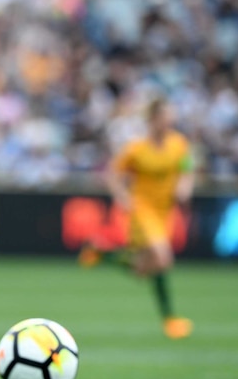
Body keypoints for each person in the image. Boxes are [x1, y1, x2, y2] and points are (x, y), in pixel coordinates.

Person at [79, 96, 195, 339]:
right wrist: (122, 196)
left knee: (143, 269)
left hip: (166, 211)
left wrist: (185, 186)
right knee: (163, 258)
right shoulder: (136, 149)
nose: (169, 121)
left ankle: (102, 254)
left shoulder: (179, 144)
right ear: (152, 120)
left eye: (170, 117)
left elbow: (187, 169)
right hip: (143, 210)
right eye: (164, 117)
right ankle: (170, 320)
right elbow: (113, 173)